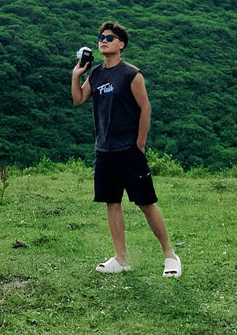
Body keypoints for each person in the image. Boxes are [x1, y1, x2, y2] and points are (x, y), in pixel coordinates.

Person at [71, 20, 181, 277]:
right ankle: (120, 259)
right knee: (112, 202)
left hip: (128, 149)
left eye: (109, 37)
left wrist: (140, 143)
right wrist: (77, 75)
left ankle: (170, 255)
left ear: (121, 44)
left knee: (145, 202)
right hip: (105, 150)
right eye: (101, 37)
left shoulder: (132, 74)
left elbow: (145, 108)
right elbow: (78, 100)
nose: (103, 40)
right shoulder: (96, 73)